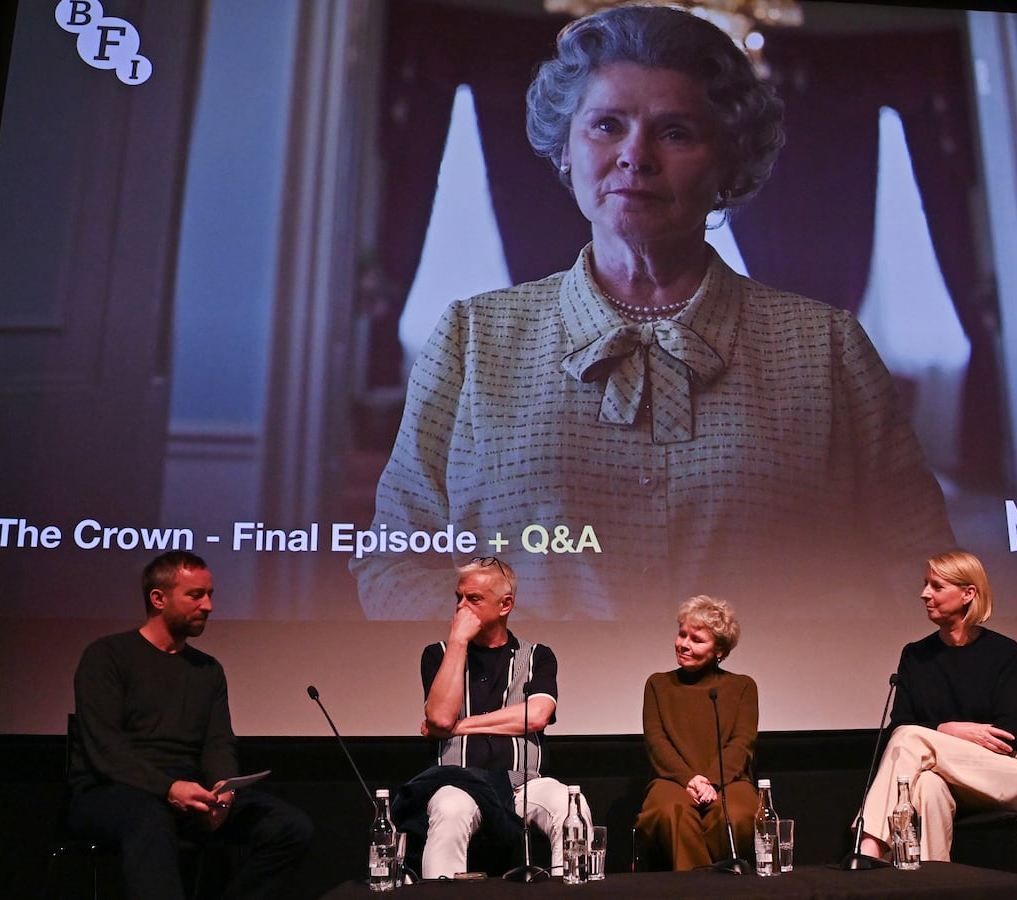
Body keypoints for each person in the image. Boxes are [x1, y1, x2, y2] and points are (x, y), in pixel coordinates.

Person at [353, 4, 954, 620]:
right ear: (565, 149)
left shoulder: (828, 346)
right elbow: (391, 566)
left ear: (727, 163)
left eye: (676, 133)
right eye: (606, 125)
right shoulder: (471, 338)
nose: (635, 156)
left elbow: (923, 567)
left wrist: (810, 632)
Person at [68, 551, 312, 899]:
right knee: (150, 819)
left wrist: (223, 791)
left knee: (290, 827)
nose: (208, 606)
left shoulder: (207, 670)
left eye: (209, 595)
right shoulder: (107, 657)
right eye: (196, 595)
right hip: (111, 792)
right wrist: (168, 788)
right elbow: (107, 751)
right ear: (158, 598)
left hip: (187, 793)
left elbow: (218, 741)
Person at [390, 556, 588, 879]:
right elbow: (440, 719)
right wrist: (458, 641)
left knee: (570, 807)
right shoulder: (438, 654)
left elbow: (536, 716)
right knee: (449, 808)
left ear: (505, 605)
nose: (461, 607)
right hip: (458, 782)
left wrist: (460, 727)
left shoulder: (537, 656)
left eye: (474, 599)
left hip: (523, 785)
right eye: (458, 597)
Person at [854, 549, 1017, 862]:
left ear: (968, 594)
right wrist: (949, 730)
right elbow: (899, 724)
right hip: (948, 779)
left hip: (1009, 775)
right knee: (928, 785)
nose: (924, 594)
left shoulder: (1004, 653)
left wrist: (936, 737)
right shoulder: (916, 655)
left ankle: (871, 847)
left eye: (937, 586)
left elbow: (1006, 736)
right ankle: (935, 879)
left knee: (910, 738)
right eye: (925, 584)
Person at [635, 595, 758, 870]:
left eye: (697, 640)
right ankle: (701, 886)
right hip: (672, 779)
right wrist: (689, 779)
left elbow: (742, 743)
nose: (684, 644)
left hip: (729, 780)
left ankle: (723, 883)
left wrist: (711, 781)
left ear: (719, 650)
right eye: (682, 634)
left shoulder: (743, 687)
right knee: (670, 811)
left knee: (737, 814)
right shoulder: (658, 684)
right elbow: (657, 742)